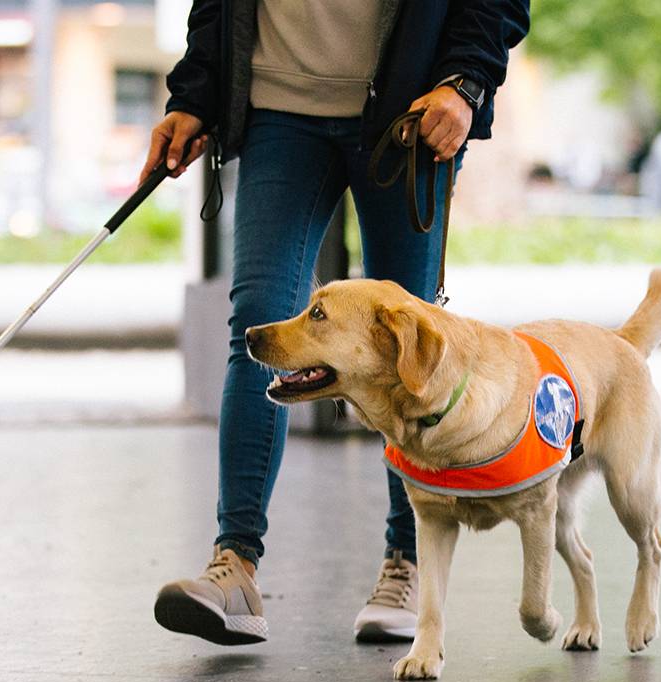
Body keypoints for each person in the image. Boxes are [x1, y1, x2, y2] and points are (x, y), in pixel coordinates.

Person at [147, 0, 529, 646]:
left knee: (412, 344)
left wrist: (465, 81)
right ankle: (234, 565)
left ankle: (408, 564)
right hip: (278, 111)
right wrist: (196, 95)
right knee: (263, 326)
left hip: (411, 110)